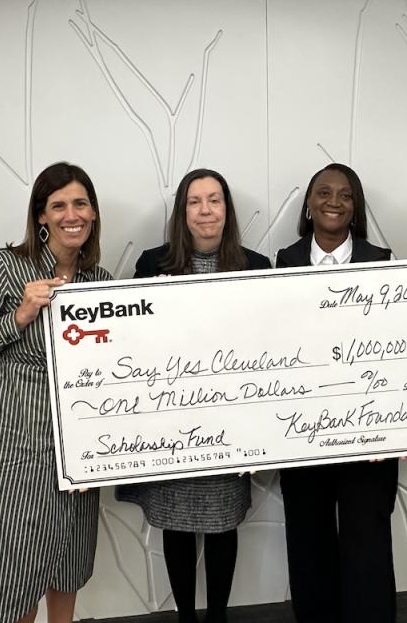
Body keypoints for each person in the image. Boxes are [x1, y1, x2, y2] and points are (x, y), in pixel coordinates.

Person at [0, 163, 110, 623]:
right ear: (41, 216)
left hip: (79, 448)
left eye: (80, 203)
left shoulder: (100, 283)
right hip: (16, 445)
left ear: (94, 213)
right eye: (58, 205)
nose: (70, 214)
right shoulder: (5, 267)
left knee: (68, 561)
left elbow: (116, 369)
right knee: (12, 568)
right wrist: (19, 315)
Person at [116, 168, 271, 623]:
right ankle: (186, 616)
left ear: (227, 209)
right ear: (182, 213)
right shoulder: (152, 264)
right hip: (170, 421)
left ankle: (218, 616)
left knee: (223, 522)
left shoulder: (255, 266)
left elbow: (271, 343)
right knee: (177, 522)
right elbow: (132, 340)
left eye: (214, 200)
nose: (205, 210)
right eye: (195, 202)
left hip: (231, 420)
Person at [275, 163, 400, 623]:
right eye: (323, 193)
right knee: (309, 539)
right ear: (308, 205)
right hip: (302, 433)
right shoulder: (282, 263)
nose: (333, 201)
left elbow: (397, 351)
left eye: (345, 195)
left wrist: (398, 426)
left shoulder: (382, 262)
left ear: (356, 206)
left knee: (367, 539)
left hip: (366, 434)